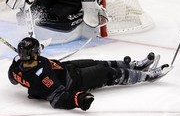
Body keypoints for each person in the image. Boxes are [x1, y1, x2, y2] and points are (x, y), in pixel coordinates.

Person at [8, 37, 171, 111]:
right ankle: (147, 76)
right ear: (34, 54)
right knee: (108, 73)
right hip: (74, 81)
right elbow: (57, 98)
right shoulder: (42, 77)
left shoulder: (17, 65)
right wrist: (77, 100)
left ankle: (137, 65)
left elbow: (13, 78)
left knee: (99, 63)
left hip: (66, 68)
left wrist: (23, 56)